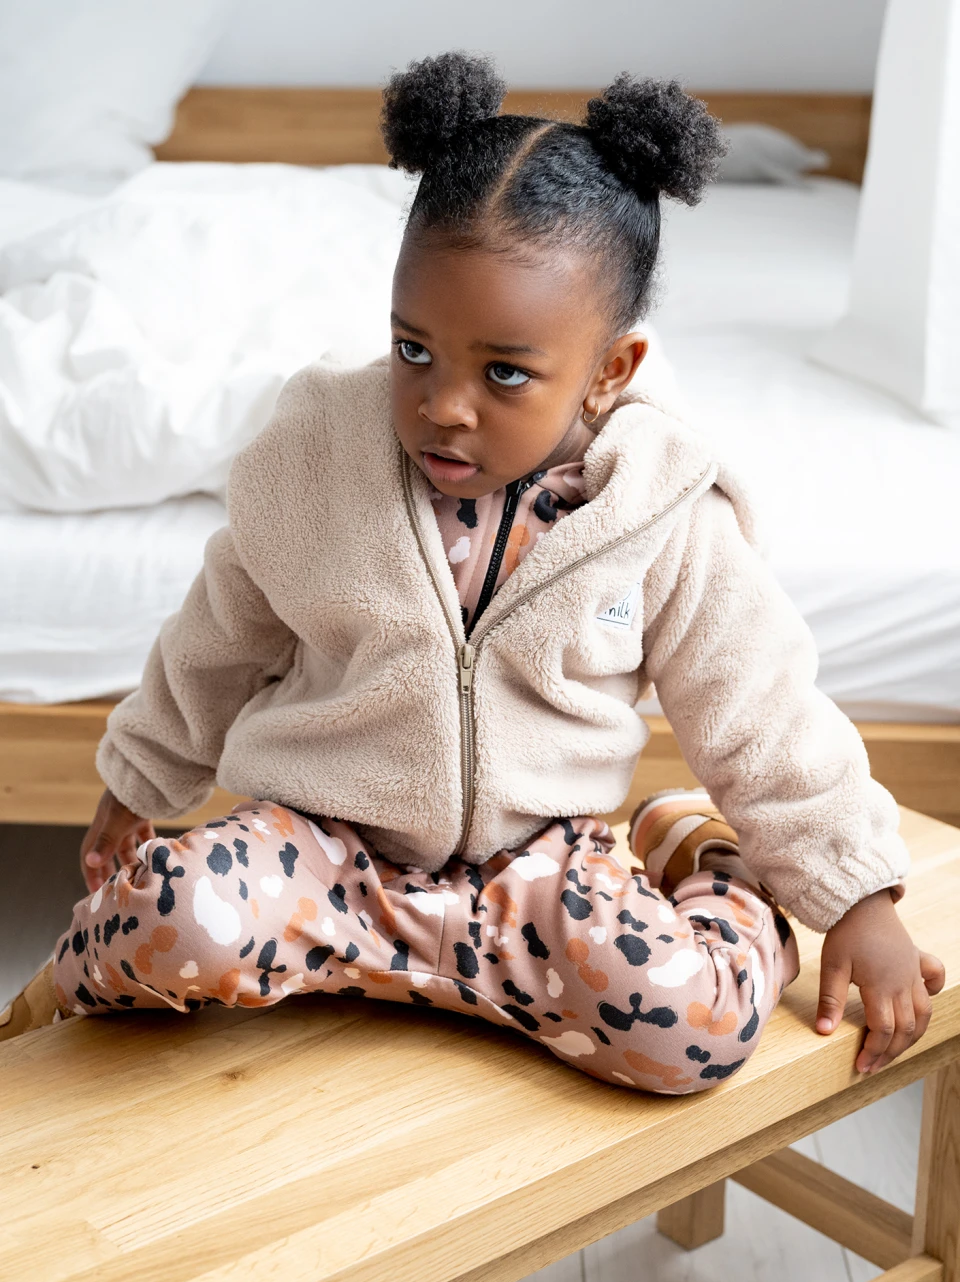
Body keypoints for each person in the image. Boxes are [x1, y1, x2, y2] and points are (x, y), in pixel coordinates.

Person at [1, 54, 943, 1092]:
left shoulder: (663, 512)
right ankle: (137, 985)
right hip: (325, 852)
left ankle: (698, 853)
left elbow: (763, 710)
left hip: (536, 873)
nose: (444, 406)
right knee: (166, 921)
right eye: (414, 350)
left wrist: (856, 898)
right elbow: (219, 632)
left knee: (693, 1032)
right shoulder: (317, 458)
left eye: (503, 373)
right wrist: (138, 781)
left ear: (609, 372)